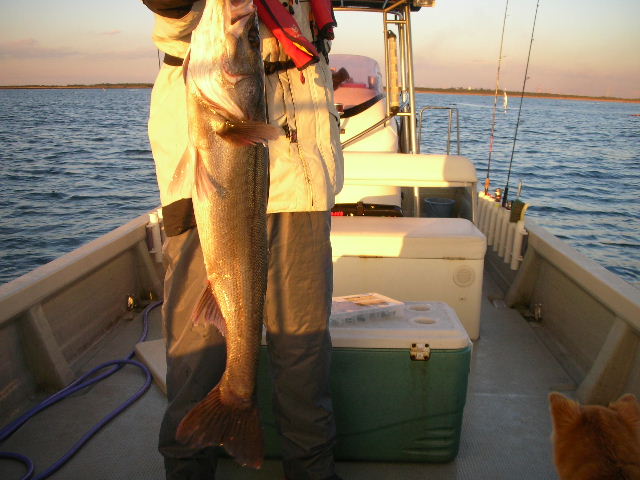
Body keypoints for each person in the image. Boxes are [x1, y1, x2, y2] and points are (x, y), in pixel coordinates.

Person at [141, 1, 344, 479]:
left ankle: (312, 471)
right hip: (205, 185)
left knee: (304, 355)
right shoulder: (218, 20)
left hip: (302, 177)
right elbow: (173, 15)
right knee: (195, 357)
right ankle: (189, 469)